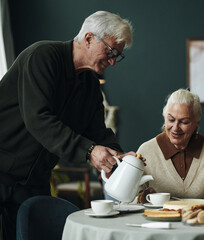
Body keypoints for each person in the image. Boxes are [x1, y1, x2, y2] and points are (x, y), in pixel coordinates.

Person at [0, 11, 136, 240]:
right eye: (111, 51)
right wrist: (90, 151)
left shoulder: (90, 84)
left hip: (33, 182)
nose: (113, 61)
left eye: (118, 55)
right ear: (89, 38)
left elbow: (97, 131)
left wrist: (119, 159)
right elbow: (38, 119)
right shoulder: (42, 56)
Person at [136, 89, 204, 204]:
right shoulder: (146, 151)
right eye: (171, 120)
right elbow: (127, 201)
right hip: (159, 220)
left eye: (184, 122)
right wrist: (141, 198)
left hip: (201, 220)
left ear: (197, 123)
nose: (175, 127)